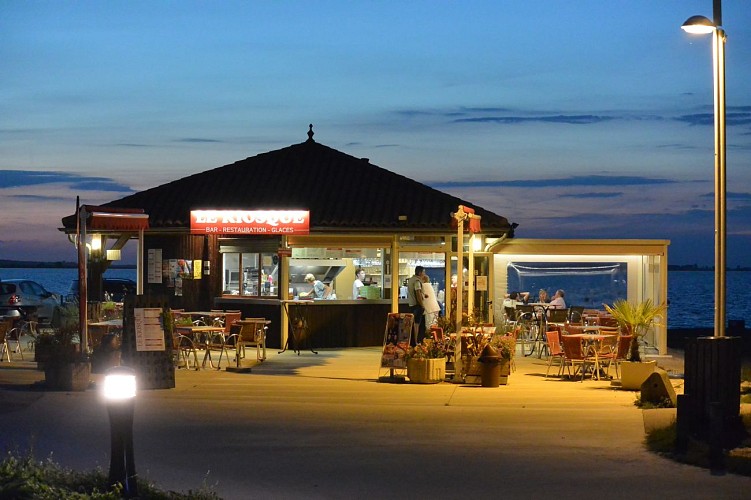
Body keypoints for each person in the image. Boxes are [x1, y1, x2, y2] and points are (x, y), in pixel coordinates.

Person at [407, 266, 426, 343]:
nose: (424, 274)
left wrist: (424, 295)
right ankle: (415, 342)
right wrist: (422, 305)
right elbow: (418, 293)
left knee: (413, 324)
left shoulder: (411, 280)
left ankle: (413, 341)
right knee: (416, 324)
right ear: (420, 272)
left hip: (411, 305)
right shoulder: (417, 281)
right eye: (423, 272)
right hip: (417, 306)